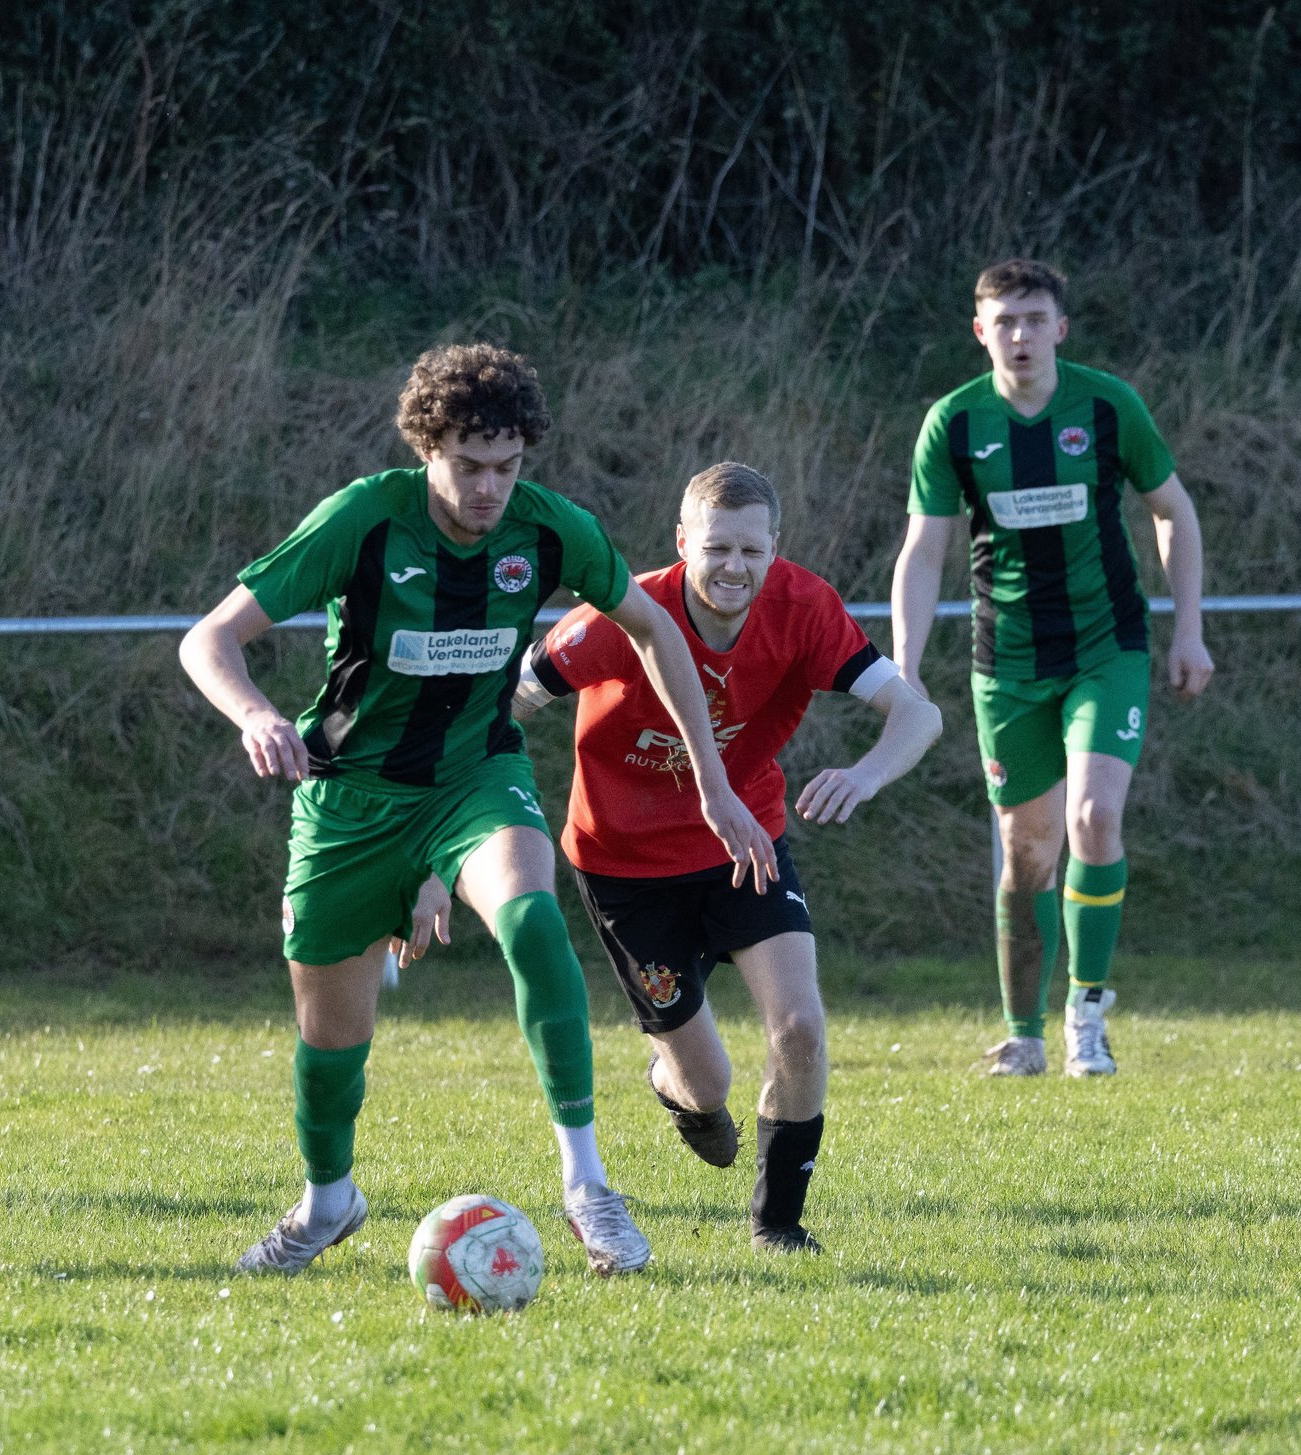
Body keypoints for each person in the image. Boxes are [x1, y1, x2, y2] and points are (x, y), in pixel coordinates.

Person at [180, 344, 771, 1274]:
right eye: (469, 466)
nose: (490, 487)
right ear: (427, 450)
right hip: (350, 799)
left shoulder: (547, 531)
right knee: (332, 1041)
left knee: (534, 920)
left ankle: (589, 1186)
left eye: (507, 467)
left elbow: (652, 627)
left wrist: (711, 778)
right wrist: (255, 712)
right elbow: (210, 639)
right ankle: (328, 1201)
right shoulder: (364, 521)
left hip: (476, 780)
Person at [503, 461, 941, 1252]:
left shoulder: (805, 608)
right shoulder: (618, 614)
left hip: (744, 844)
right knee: (710, 1085)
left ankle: (778, 1227)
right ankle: (677, 1084)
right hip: (624, 866)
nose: (734, 567)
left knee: (801, 1025)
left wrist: (865, 773)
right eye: (717, 549)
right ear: (682, 544)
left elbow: (917, 713)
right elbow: (510, 698)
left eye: (751, 550)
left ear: (775, 549)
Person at [889, 258, 1212, 1078]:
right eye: (1005, 321)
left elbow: (1171, 509)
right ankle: (1023, 1032)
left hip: (1108, 648)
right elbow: (926, 550)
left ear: (1061, 327)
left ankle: (1086, 1014)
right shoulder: (955, 423)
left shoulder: (1106, 407)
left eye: (1035, 319)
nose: (1021, 335)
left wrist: (1190, 632)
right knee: (1026, 848)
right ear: (980, 332)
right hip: (1009, 662)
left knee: (1094, 820)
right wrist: (904, 667)